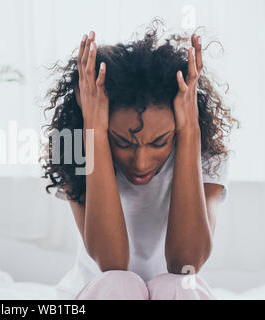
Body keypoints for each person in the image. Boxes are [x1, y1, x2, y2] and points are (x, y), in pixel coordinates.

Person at [41, 20, 239, 300]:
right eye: (122, 142)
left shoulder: (208, 154)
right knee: (119, 284)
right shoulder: (74, 145)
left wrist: (190, 132)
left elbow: (186, 263)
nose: (141, 162)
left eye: (159, 142)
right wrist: (94, 129)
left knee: (178, 285)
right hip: (102, 292)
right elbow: (112, 264)